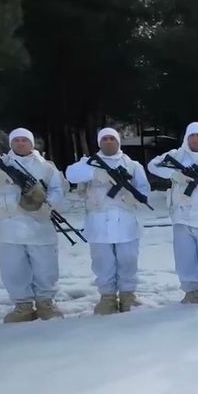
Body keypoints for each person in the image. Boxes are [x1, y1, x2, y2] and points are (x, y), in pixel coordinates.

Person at [66, 127, 151, 314]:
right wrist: (94, 173)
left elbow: (144, 190)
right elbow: (71, 174)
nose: (109, 141)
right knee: (102, 261)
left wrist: (131, 195)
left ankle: (128, 295)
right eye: (105, 139)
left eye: (112, 138)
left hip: (126, 220)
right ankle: (108, 297)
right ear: (99, 142)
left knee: (128, 259)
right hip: (98, 221)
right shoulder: (89, 163)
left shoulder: (132, 165)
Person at [148, 122, 198, 304]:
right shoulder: (177, 155)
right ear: (187, 137)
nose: (195, 139)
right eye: (192, 135)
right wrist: (175, 175)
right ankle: (191, 291)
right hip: (183, 214)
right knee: (185, 255)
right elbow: (153, 165)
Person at [0, 128, 66, 322]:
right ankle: (22, 306)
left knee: (45, 267)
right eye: (16, 140)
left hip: (39, 225)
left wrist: (48, 205)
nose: (20, 143)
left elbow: (58, 190)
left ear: (32, 143)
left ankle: (46, 303)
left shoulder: (46, 167)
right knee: (13, 269)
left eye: (25, 140)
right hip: (9, 227)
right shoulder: (0, 166)